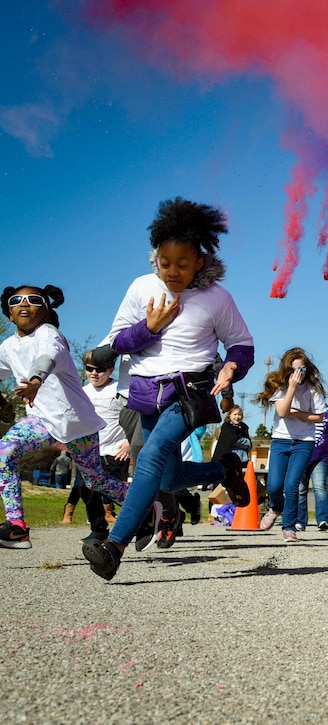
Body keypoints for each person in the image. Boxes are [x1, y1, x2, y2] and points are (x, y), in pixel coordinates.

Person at [81, 198, 254, 580]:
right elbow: (111, 345)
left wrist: (232, 367)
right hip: (144, 393)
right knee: (168, 478)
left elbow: (242, 344)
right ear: (154, 257)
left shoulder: (217, 299)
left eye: (182, 264)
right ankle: (225, 468)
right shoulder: (142, 288)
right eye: (165, 263)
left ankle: (114, 546)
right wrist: (150, 328)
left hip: (190, 392)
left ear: (200, 263)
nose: (172, 272)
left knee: (153, 453)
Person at [0, 285, 130, 549]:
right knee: (4, 453)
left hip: (75, 423)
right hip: (42, 422)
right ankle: (17, 528)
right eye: (17, 301)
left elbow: (47, 357)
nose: (24, 304)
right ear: (10, 314)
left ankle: (145, 504)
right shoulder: (8, 347)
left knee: (96, 480)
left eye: (34, 300)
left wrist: (36, 380)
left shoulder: (50, 334)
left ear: (46, 312)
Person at [255, 348, 327, 542]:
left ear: (307, 370)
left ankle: (289, 527)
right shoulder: (281, 386)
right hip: (280, 440)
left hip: (304, 442)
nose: (298, 375)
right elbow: (283, 411)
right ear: (288, 371)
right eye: (294, 370)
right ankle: (276, 507)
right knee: (274, 485)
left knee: (291, 484)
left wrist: (298, 413)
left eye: (302, 370)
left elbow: (319, 417)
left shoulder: (313, 388)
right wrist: (292, 388)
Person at [64, 352, 131, 542]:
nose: (94, 373)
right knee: (87, 490)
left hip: (116, 452)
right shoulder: (82, 392)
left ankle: (145, 518)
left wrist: (129, 444)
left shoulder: (120, 389)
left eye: (100, 369)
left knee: (116, 493)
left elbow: (134, 418)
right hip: (89, 452)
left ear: (111, 369)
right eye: (89, 369)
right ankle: (98, 529)